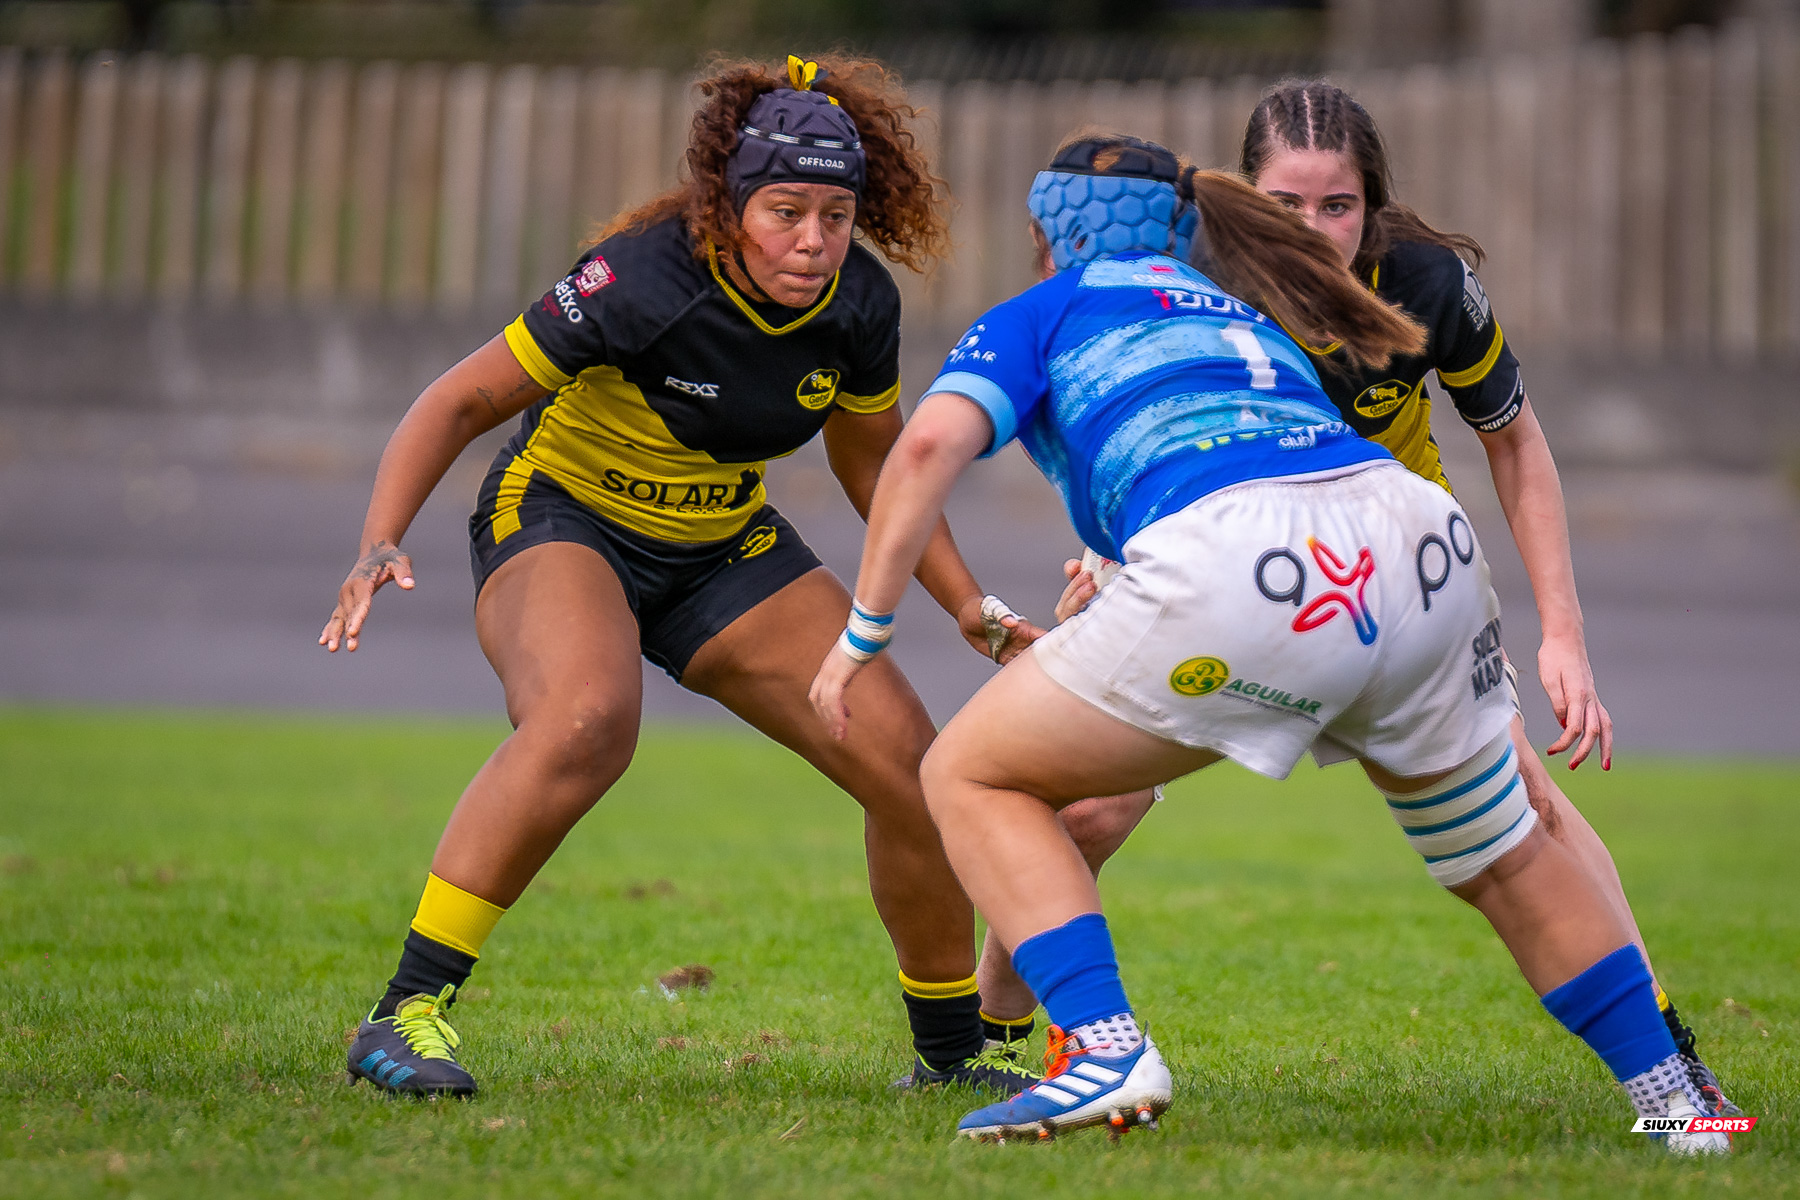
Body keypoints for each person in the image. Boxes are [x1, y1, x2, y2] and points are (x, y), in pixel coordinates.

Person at [809, 134, 1730, 1154]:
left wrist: (865, 632)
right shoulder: (1242, 314)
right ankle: (1681, 1105)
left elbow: (926, 447)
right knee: (1507, 856)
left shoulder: (1043, 309)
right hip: (1419, 541)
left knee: (970, 775)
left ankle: (1106, 1049)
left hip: (1250, 567)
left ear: (1047, 237)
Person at [319, 55, 1040, 1098]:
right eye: (785, 210)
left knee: (912, 771)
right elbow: (459, 401)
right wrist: (380, 540)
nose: (812, 240)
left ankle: (948, 1059)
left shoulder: (857, 305)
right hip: (564, 517)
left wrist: (972, 608)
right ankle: (403, 1017)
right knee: (585, 720)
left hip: (722, 546)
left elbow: (874, 462)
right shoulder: (642, 277)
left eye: (836, 215)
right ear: (729, 203)